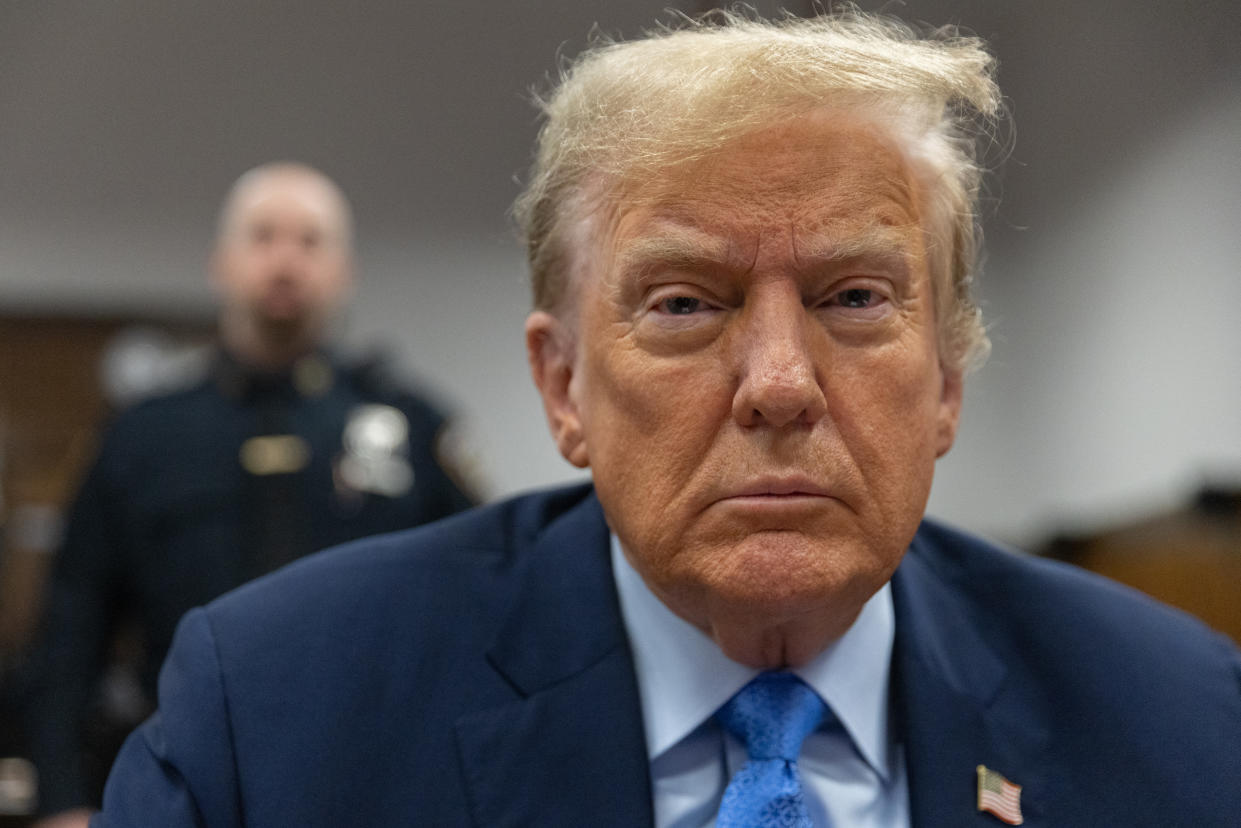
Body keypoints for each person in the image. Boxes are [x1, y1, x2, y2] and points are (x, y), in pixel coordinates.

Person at [93, 12, 1240, 827]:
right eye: (685, 304)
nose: (780, 383)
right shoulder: (274, 722)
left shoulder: (1178, 724)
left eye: (853, 299)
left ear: (943, 382)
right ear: (563, 389)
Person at [26, 163, 476, 827]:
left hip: (372, 780)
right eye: (263, 237)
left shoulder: (408, 426)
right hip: (181, 775)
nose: (285, 260)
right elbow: (70, 629)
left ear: (345, 269)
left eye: (310, 241)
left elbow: (473, 612)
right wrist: (61, 798)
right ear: (220, 262)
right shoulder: (144, 435)